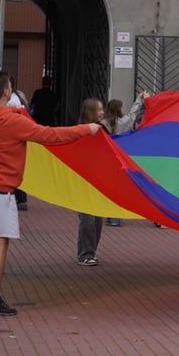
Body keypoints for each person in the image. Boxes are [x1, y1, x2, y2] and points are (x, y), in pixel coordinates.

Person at [0, 71, 101, 317]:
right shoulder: (15, 122)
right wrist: (86, 129)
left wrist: (16, 111)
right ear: (7, 92)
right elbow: (51, 136)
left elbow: (3, 112)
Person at [102, 91, 150, 227]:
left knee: (110, 188)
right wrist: (139, 99)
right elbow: (133, 113)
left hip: (108, 158)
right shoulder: (123, 122)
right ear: (118, 109)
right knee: (120, 188)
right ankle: (116, 218)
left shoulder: (103, 123)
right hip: (122, 157)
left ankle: (110, 214)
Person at [77, 97, 107, 265]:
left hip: (98, 183)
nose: (102, 112)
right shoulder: (80, 131)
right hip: (83, 183)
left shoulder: (103, 130)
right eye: (99, 110)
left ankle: (90, 252)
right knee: (87, 220)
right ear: (90, 112)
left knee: (97, 221)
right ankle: (85, 254)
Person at [6, 76, 29, 210]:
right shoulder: (17, 98)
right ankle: (20, 198)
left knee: (15, 167)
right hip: (16, 136)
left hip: (14, 137)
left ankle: (18, 197)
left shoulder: (13, 101)